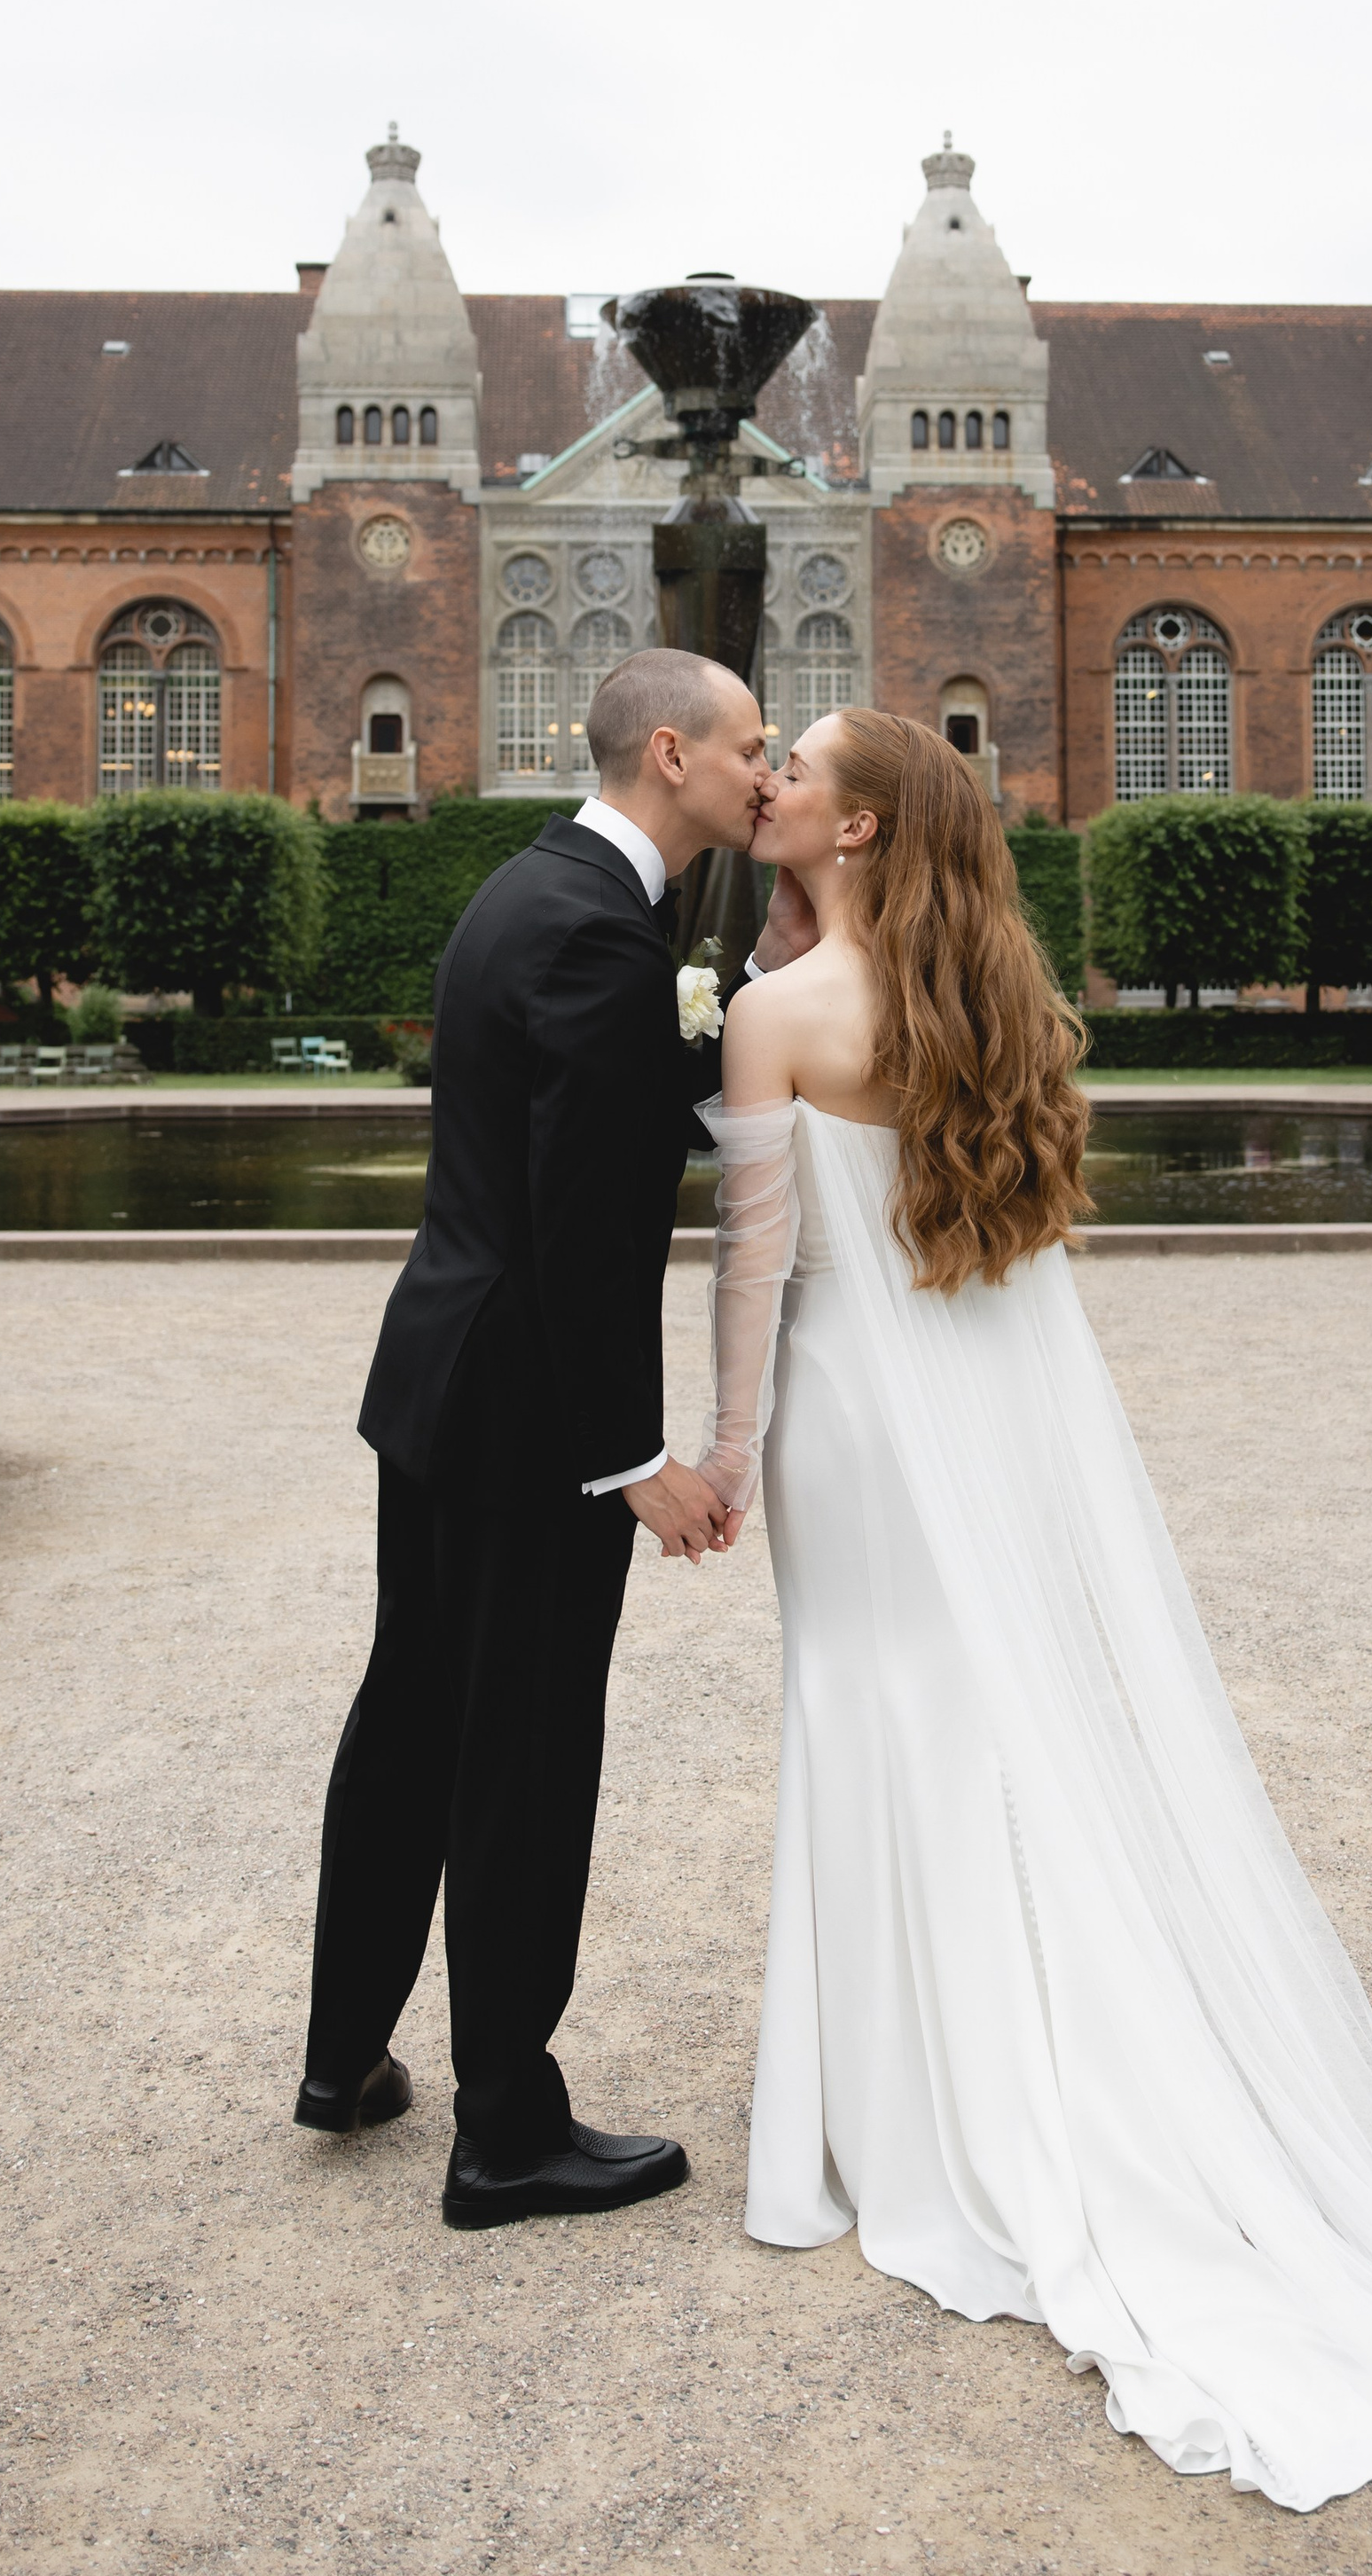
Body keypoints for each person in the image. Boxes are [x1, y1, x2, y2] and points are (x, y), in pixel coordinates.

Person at [696, 705, 1372, 2573]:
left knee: (870, 1714)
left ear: (859, 824)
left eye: (793, 769)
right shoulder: (989, 1004)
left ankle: (901, 2113)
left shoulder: (770, 1015)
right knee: (991, 1721)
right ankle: (1006, 2057)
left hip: (854, 1429)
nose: (767, 786)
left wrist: (722, 1448)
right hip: (970, 1408)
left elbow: (754, 1266)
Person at [297, 645, 812, 2230]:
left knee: (414, 1720)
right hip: (529, 1418)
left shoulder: (534, 893)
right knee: (522, 1754)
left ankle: (344, 2057)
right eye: (748, 746)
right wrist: (631, 1461)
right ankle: (507, 2130)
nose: (767, 769)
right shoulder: (595, 934)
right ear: (672, 754)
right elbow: (584, 1235)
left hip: (443, 1385)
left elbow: (581, 1146)